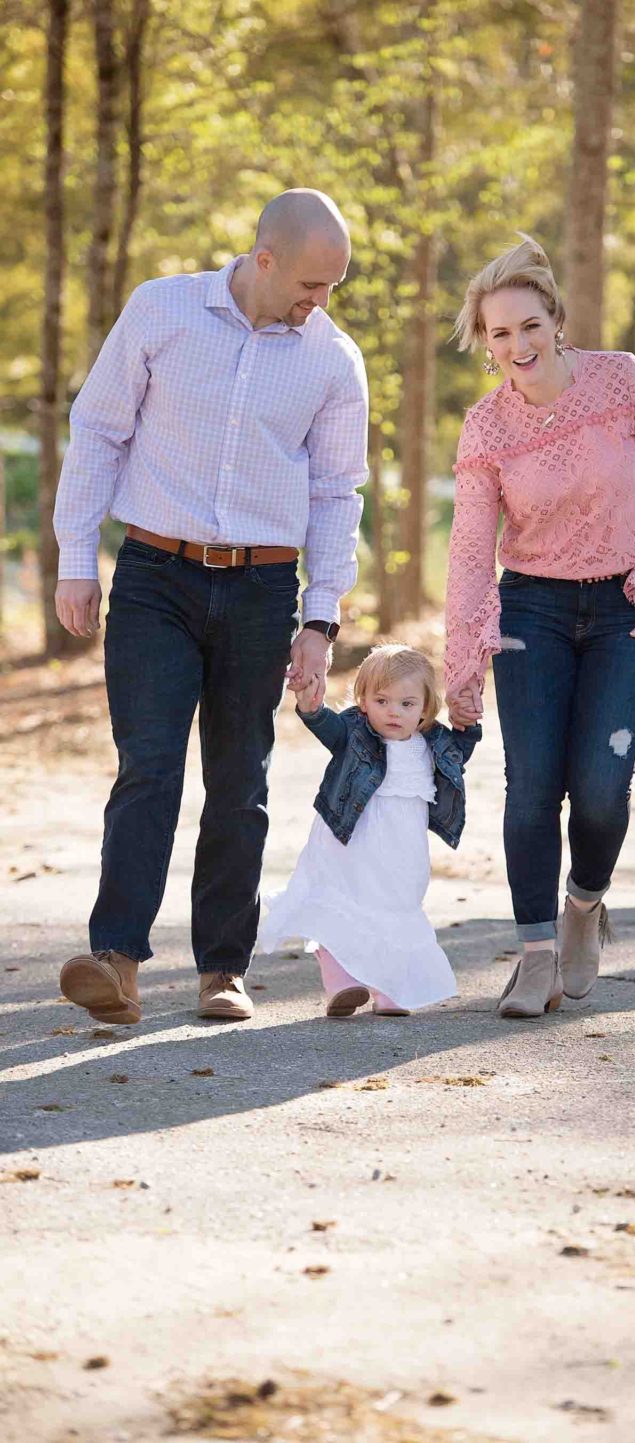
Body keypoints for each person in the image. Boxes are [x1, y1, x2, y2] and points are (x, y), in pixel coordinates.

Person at [54, 189, 368, 1026]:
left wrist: (320, 616)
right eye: (310, 284)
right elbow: (98, 431)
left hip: (264, 588)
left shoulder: (333, 359)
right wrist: (75, 558)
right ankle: (115, 959)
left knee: (240, 781)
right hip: (156, 575)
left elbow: (338, 493)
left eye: (334, 286)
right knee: (149, 766)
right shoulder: (162, 311)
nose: (320, 303)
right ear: (263, 260)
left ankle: (221, 968)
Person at [445, 235, 635, 1020]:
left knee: (598, 788)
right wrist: (460, 666)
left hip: (625, 605)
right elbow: (468, 550)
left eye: (528, 325)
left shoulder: (623, 382)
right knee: (531, 790)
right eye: (498, 333)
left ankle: (583, 904)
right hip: (532, 611)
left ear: (556, 320)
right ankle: (532, 954)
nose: (516, 345)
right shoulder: (487, 429)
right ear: (484, 344)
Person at [258, 644, 481, 1017]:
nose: (393, 711)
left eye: (407, 704)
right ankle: (342, 984)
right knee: (338, 906)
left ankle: (388, 988)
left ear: (425, 709)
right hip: (346, 842)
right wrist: (311, 707)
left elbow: (461, 749)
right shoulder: (353, 733)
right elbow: (326, 726)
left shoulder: (434, 744)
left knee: (393, 910)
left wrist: (468, 723)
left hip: (401, 852)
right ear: (363, 701)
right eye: (382, 700)